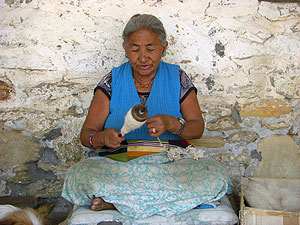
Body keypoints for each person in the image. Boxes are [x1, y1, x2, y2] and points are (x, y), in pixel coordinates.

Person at [78, 14, 205, 211]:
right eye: (135, 49)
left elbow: (197, 128)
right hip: (121, 163)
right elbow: (87, 135)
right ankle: (155, 200)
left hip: (169, 163)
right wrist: (102, 137)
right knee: (80, 174)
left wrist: (173, 124)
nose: (143, 57)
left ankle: (119, 202)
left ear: (164, 48)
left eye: (151, 49)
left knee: (213, 176)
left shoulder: (178, 78)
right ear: (126, 49)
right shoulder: (112, 81)